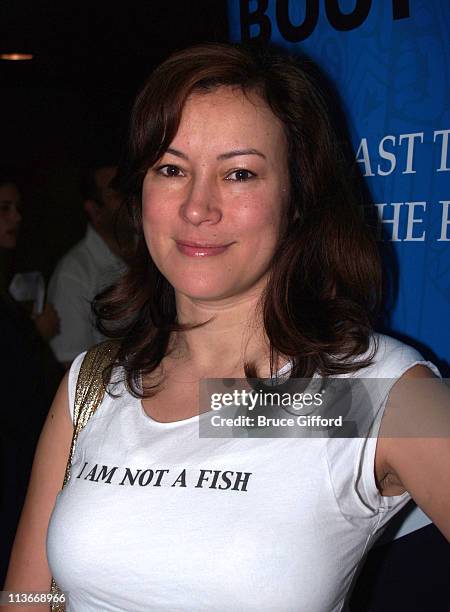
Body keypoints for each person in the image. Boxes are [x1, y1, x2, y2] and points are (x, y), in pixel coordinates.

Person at [4, 44, 450, 611]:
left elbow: (263, 419)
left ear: (297, 200)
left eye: (239, 173)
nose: (197, 207)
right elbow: (24, 595)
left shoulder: (359, 394)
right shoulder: (97, 383)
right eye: (171, 169)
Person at [47, 164, 126, 369]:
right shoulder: (73, 274)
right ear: (95, 210)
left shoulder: (159, 252)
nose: (131, 197)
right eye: (117, 192)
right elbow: (74, 370)